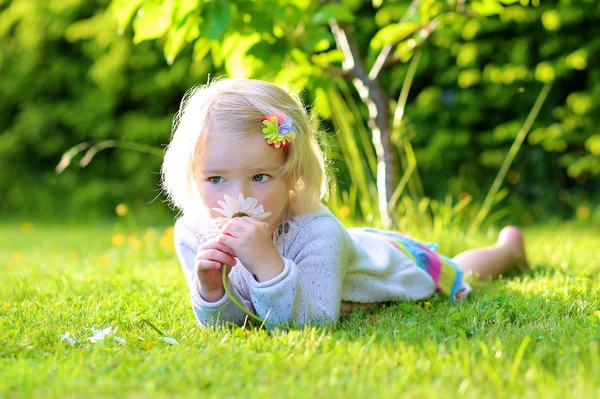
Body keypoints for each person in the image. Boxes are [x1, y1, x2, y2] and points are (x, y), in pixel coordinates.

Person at [162, 78, 528, 329]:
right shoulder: (193, 232)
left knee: (457, 269)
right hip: (352, 244)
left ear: (293, 175)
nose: (235, 199)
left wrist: (268, 265)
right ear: (192, 175)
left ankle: (509, 248)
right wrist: (211, 291)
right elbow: (235, 322)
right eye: (215, 179)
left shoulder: (318, 232)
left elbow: (313, 323)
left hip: (394, 263)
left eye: (260, 177)